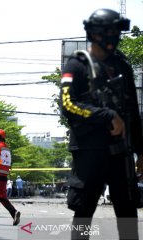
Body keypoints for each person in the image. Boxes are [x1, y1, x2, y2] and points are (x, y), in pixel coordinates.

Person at [60, 9, 143, 239]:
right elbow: (68, 105)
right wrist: (106, 115)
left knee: (127, 214)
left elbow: (132, 112)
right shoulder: (76, 65)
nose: (115, 36)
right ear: (97, 34)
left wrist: (140, 151)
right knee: (84, 213)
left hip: (121, 153)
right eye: (112, 31)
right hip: (89, 153)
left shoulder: (122, 66)